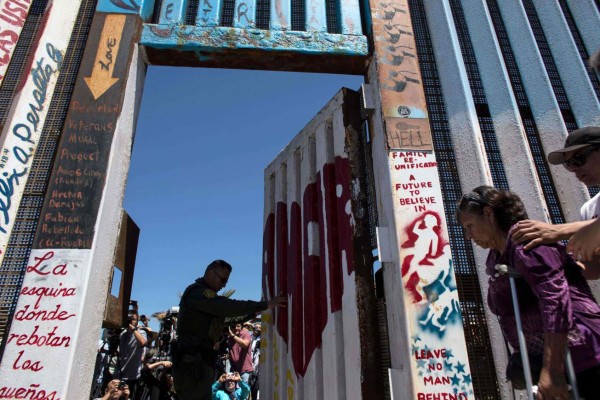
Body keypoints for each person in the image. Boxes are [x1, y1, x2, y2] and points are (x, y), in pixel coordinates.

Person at [457, 186, 600, 399]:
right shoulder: (498, 257)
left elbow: (556, 303)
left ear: (488, 214)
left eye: (470, 226)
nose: (468, 236)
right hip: (555, 359)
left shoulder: (526, 246)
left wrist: (552, 370)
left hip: (581, 354)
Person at [173, 259, 286, 400]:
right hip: (192, 365)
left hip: (199, 363)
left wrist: (254, 312)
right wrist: (263, 305)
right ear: (210, 274)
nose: (224, 285)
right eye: (222, 280)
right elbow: (228, 307)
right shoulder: (198, 293)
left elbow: (227, 319)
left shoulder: (207, 301)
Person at [510, 126, 600, 279]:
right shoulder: (589, 209)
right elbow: (594, 268)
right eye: (569, 164)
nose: (574, 169)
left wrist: (559, 231)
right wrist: (544, 266)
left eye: (578, 159)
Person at [116, 312, 148, 399]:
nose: (130, 321)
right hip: (120, 374)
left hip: (133, 376)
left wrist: (133, 329)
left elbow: (143, 342)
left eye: (133, 319)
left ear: (137, 322)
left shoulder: (141, 332)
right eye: (129, 319)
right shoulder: (122, 333)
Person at [249, 323, 261, 400]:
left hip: (258, 367)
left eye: (258, 328)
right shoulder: (251, 338)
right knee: (251, 386)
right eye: (255, 328)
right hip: (251, 365)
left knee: (256, 387)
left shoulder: (262, 338)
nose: (256, 329)